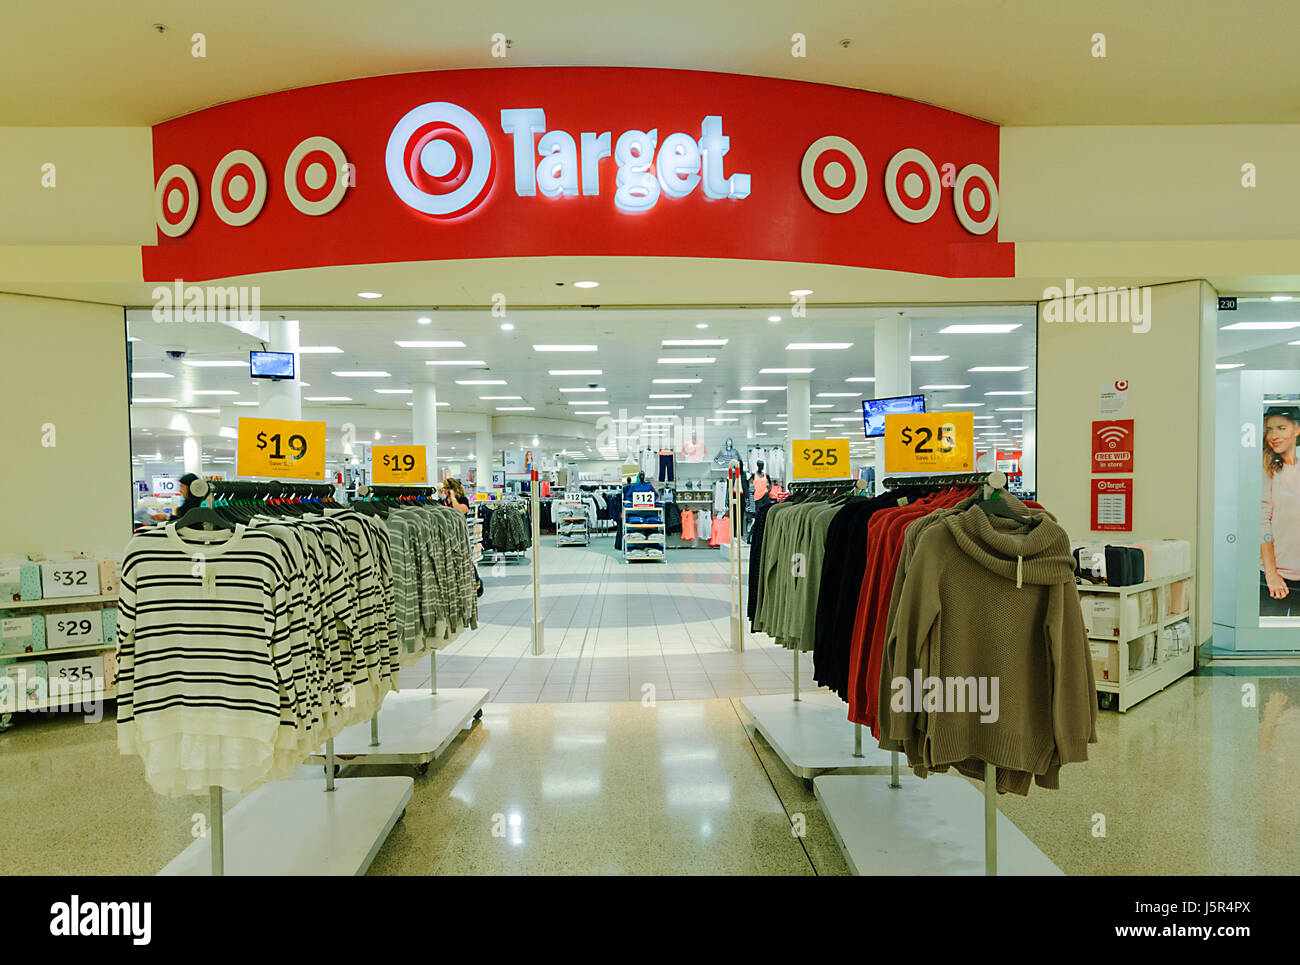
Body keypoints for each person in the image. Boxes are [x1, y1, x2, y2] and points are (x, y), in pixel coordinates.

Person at [1261, 405, 1300, 616]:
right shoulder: (1266, 469)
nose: (1274, 435)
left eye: (1281, 428)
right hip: (1275, 580)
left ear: (1297, 429)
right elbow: (1261, 522)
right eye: (1269, 429)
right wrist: (1271, 574)